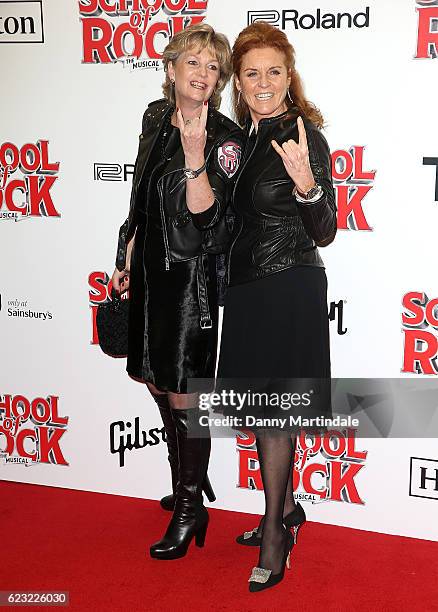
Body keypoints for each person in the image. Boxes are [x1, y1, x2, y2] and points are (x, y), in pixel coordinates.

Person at [111, 23, 243, 560]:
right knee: (153, 379)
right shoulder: (152, 117)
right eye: (194, 63)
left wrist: (195, 157)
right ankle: (186, 483)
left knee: (185, 392)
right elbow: (140, 192)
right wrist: (124, 253)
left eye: (214, 68)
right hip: (147, 274)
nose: (204, 75)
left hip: (191, 283)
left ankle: (191, 509)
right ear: (171, 69)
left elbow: (206, 221)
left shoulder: (227, 138)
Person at [216, 21, 337, 591]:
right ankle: (286, 508)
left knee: (274, 413)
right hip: (245, 290)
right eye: (251, 73)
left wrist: (308, 182)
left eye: (274, 71)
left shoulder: (301, 134)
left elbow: (326, 229)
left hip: (288, 282)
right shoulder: (240, 139)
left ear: (290, 76)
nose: (263, 82)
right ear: (238, 82)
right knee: (260, 407)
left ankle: (273, 531)